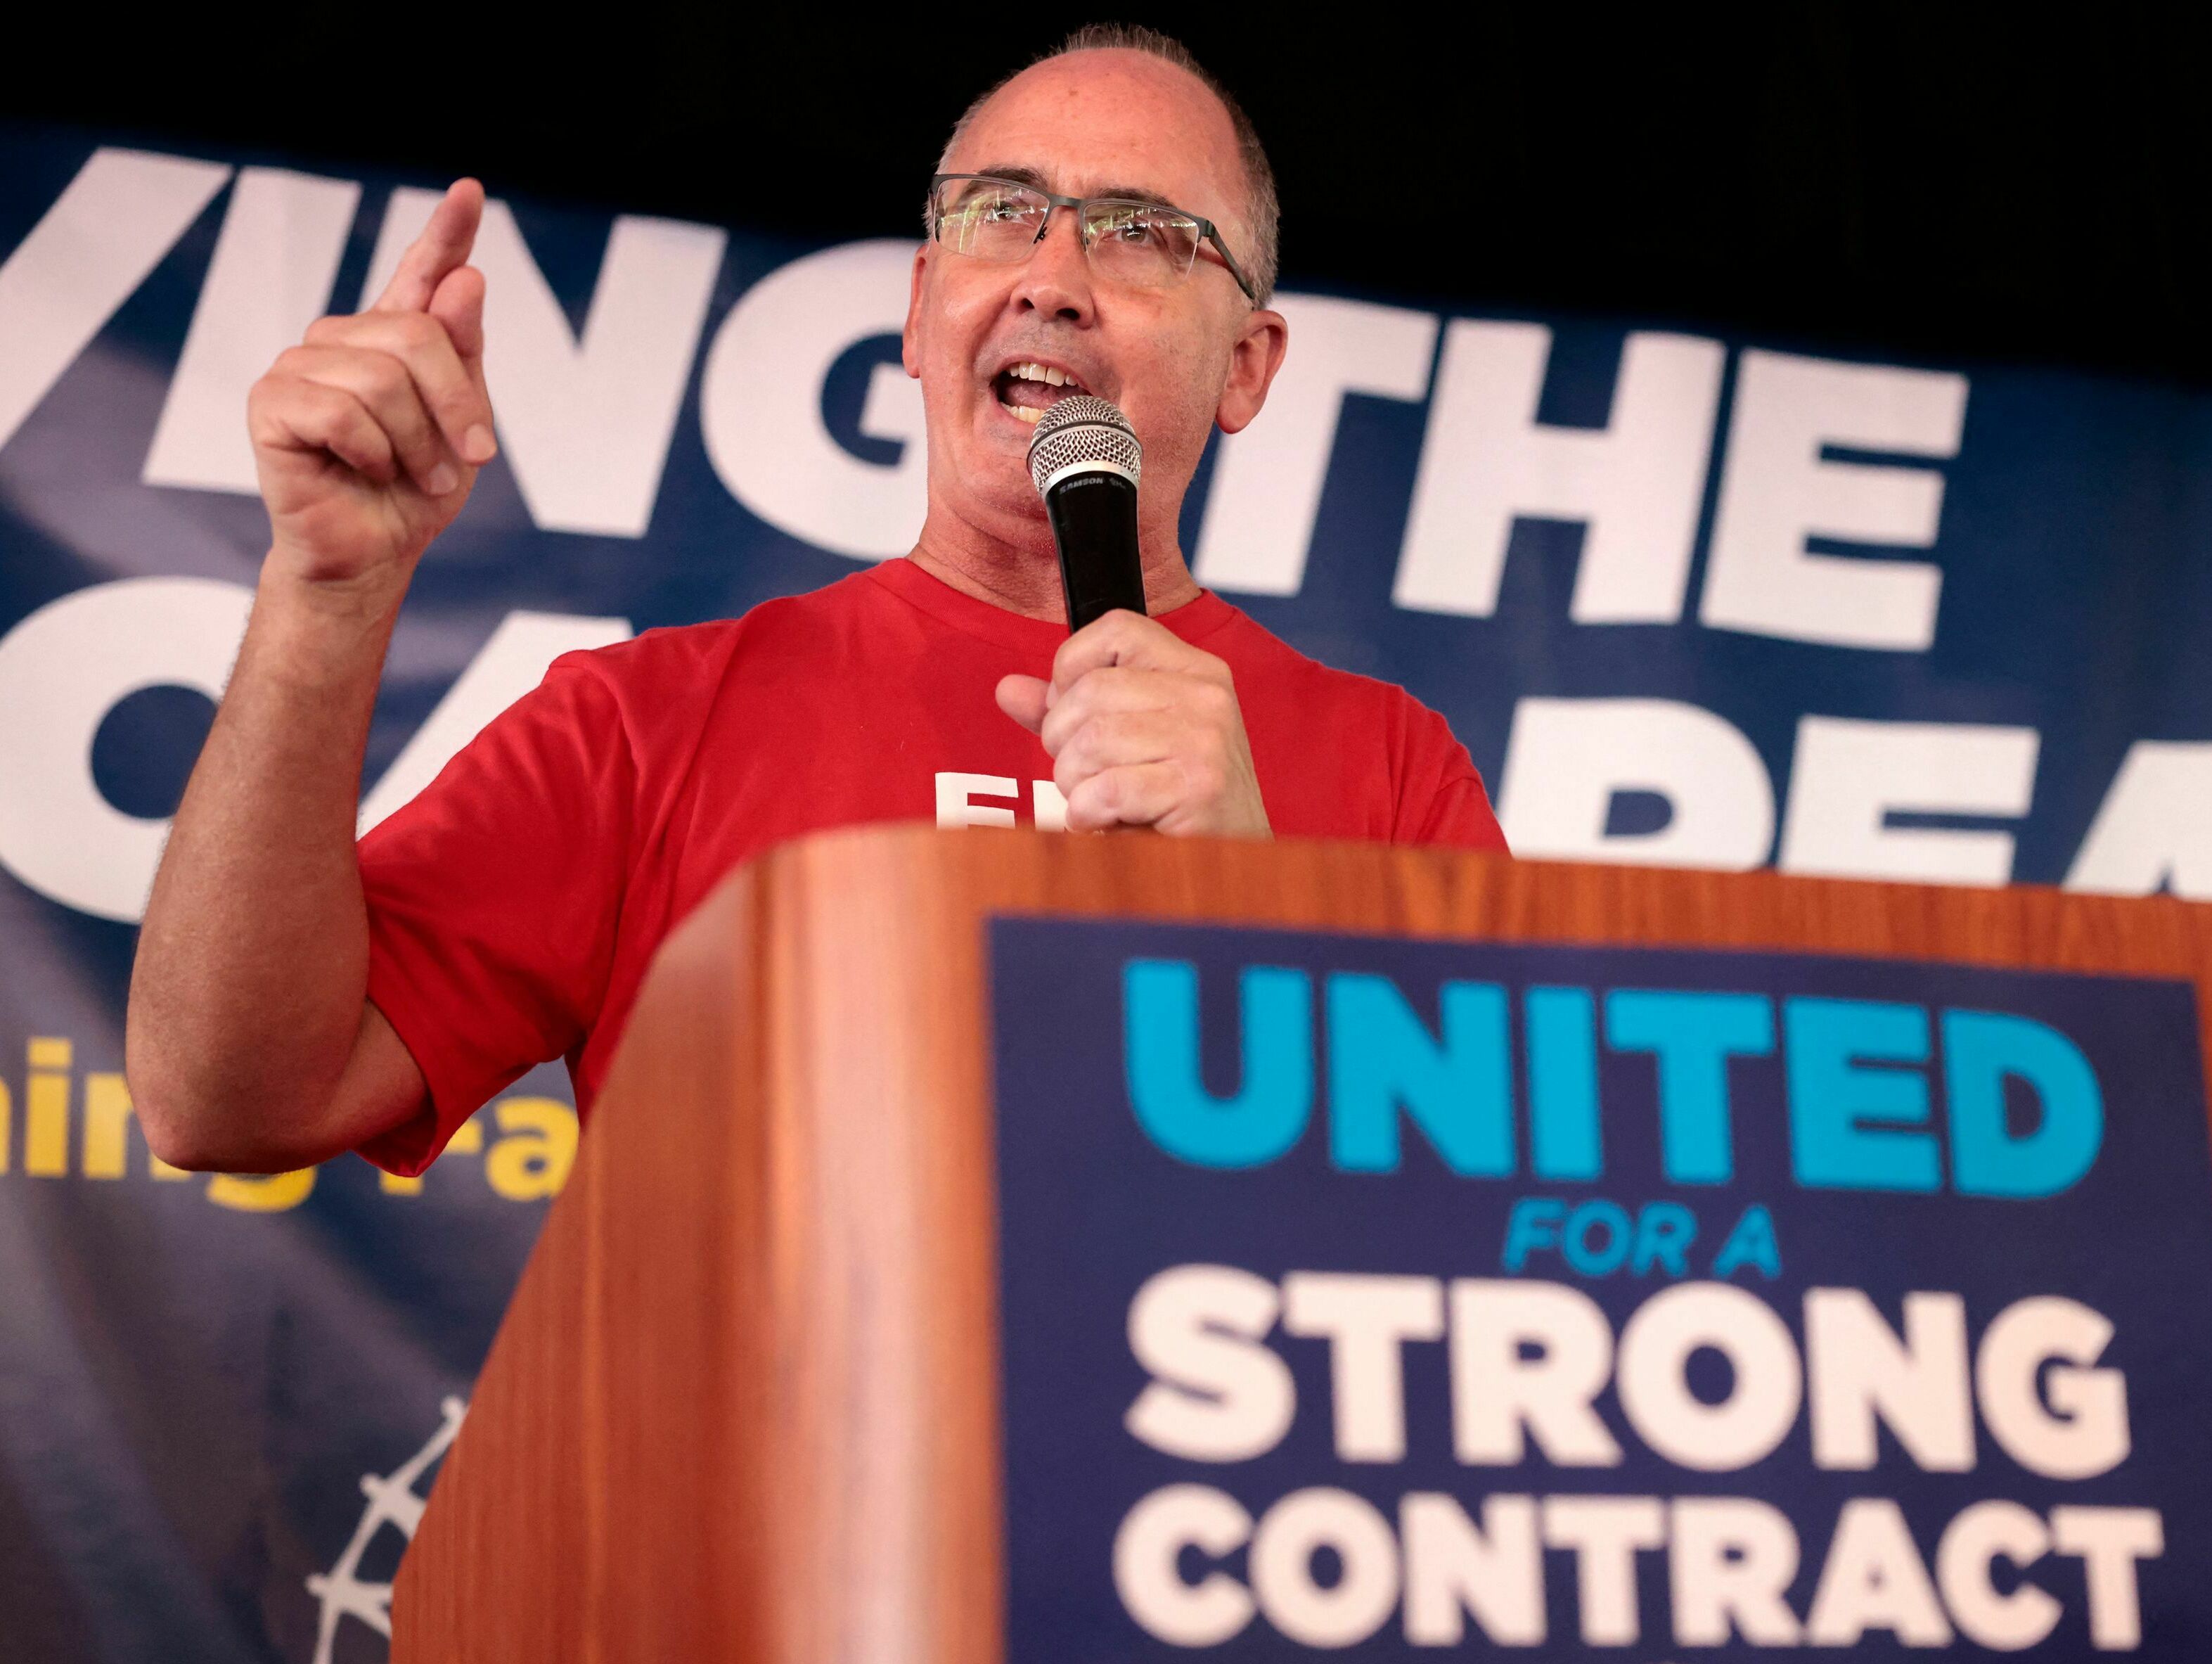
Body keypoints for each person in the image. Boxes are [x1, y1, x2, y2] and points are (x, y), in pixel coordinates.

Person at [127, 25, 1506, 1179]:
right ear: (919, 311)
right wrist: (326, 597)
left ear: (1249, 366)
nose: (1052, 279)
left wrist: (1258, 913)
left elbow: (1498, 1241)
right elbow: (230, 1103)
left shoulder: (1394, 776)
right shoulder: (648, 725)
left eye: (1144, 235)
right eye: (1001, 213)